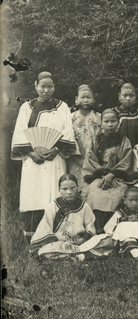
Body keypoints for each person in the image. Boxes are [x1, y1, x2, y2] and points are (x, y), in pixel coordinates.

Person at [12, 71, 77, 241]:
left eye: (49, 87)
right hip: (33, 160)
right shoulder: (27, 107)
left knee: (54, 192)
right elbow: (20, 132)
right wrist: (33, 154)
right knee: (33, 194)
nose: (46, 90)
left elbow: (67, 131)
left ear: (54, 87)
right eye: (43, 86)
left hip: (55, 158)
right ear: (36, 86)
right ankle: (32, 236)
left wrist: (55, 150)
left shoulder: (62, 106)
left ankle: (56, 234)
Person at [30, 174, 112, 260]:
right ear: (59, 190)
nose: (69, 192)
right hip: (59, 243)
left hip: (81, 243)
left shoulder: (84, 206)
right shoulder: (53, 206)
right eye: (64, 189)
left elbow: (90, 227)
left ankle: (69, 256)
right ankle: (81, 256)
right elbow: (45, 229)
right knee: (46, 251)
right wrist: (60, 242)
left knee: (106, 240)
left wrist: (81, 240)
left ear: (77, 188)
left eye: (72, 188)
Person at [83, 108, 136, 232]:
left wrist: (112, 174)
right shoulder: (95, 140)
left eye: (113, 121)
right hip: (99, 176)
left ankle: (115, 230)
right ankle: (98, 229)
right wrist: (104, 174)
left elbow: (126, 161)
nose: (110, 124)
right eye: (106, 121)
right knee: (95, 192)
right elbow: (90, 161)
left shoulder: (124, 140)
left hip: (119, 177)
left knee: (119, 194)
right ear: (101, 123)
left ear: (118, 123)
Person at [103, 185, 138, 260]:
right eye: (131, 200)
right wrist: (125, 220)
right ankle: (135, 252)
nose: (134, 203)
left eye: (137, 200)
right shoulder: (120, 213)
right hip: (130, 238)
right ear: (124, 201)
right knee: (122, 226)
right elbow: (108, 227)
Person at [68, 84, 101, 187]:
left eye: (88, 97)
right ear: (76, 99)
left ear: (93, 99)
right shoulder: (71, 118)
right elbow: (69, 139)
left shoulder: (99, 117)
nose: (86, 100)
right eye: (83, 97)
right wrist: (79, 159)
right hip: (76, 158)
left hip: (95, 159)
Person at [113, 83, 138, 147]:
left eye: (131, 96)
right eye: (125, 95)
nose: (128, 99)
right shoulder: (114, 113)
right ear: (119, 96)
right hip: (118, 150)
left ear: (136, 96)